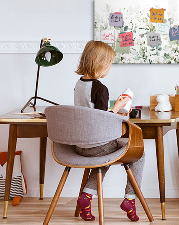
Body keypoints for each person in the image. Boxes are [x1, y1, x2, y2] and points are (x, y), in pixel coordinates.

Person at [74, 40, 144, 222]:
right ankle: (130, 199)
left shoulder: (79, 84)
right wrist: (118, 108)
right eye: (110, 64)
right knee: (139, 153)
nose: (110, 68)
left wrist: (113, 108)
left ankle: (86, 197)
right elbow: (101, 120)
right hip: (97, 145)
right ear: (101, 64)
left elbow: (91, 113)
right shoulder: (100, 88)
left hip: (80, 145)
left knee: (105, 157)